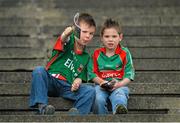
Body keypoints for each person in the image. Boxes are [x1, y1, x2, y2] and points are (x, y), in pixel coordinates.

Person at [29, 13, 96, 115]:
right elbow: (64, 39)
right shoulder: (70, 41)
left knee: (90, 91)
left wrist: (77, 82)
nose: (87, 36)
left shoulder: (86, 57)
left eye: (91, 33)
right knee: (39, 71)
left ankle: (76, 115)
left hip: (67, 87)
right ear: (76, 30)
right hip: (51, 80)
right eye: (84, 32)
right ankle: (42, 107)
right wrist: (66, 33)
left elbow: (80, 77)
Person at [88, 18, 135, 114]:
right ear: (101, 37)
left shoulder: (124, 53)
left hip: (119, 85)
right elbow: (91, 74)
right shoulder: (96, 54)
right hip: (101, 86)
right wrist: (101, 82)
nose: (110, 39)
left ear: (120, 37)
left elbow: (129, 74)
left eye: (114, 36)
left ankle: (119, 110)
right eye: (107, 36)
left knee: (120, 96)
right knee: (97, 98)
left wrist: (119, 84)